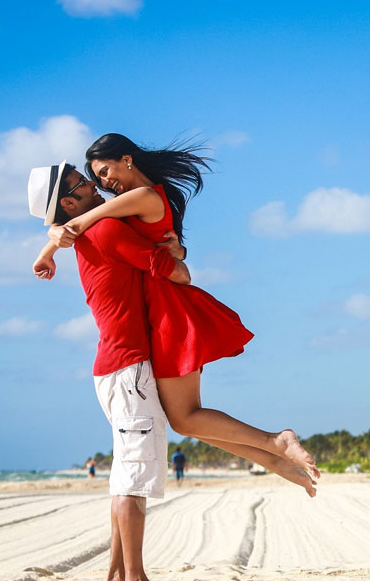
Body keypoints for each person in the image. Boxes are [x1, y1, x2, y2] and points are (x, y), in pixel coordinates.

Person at [35, 134, 319, 495]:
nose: (102, 183)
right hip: (160, 312)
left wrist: (51, 244)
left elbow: (85, 223)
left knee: (185, 417)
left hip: (169, 309)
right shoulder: (130, 201)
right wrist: (54, 237)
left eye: (104, 172)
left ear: (127, 160)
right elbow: (88, 224)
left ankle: (277, 444)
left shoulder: (142, 196)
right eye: (94, 177)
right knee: (185, 419)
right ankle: (274, 456)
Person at [29, 161, 190, 581]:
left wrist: (48, 246)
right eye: (84, 183)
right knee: (133, 478)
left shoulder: (89, 233)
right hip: (129, 367)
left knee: (126, 475)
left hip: (116, 368)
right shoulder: (108, 231)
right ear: (68, 202)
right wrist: (175, 254)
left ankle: (118, 577)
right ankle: (135, 579)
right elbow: (180, 274)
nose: (97, 186)